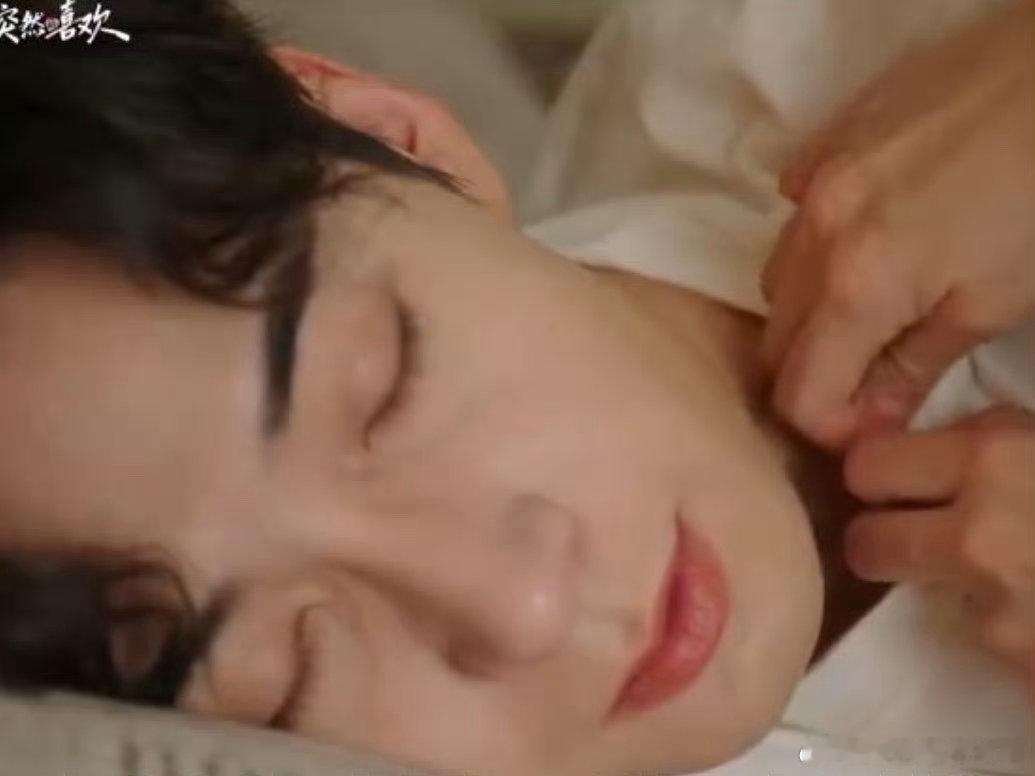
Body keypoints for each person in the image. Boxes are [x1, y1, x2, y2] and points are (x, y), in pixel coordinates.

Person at [0, 4, 1029, 776]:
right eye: (289, 673)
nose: (522, 609)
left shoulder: (820, 42)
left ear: (388, 134)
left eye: (386, 390)